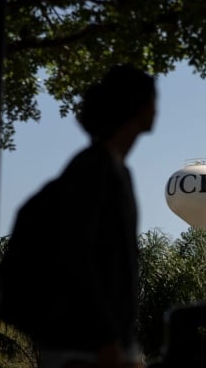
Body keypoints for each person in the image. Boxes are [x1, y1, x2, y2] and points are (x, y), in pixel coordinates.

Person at [37, 64, 157, 368]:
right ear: (138, 108)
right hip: (88, 348)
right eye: (153, 99)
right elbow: (77, 256)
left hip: (101, 343)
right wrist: (107, 342)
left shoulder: (107, 167)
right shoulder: (96, 170)